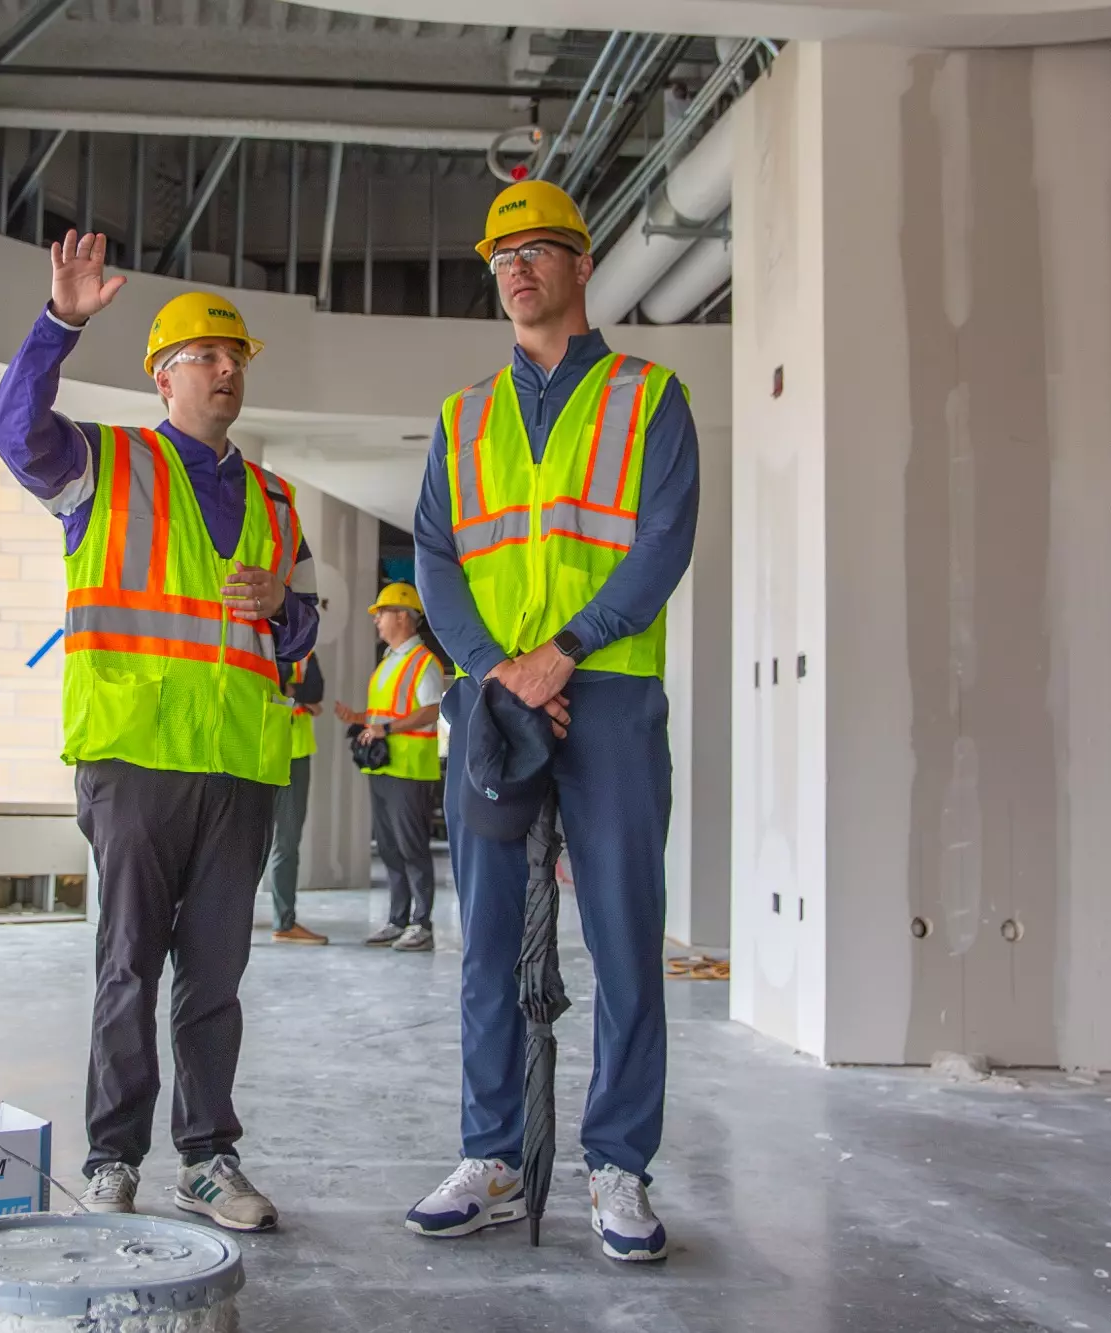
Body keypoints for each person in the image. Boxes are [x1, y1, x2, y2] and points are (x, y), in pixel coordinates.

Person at [0, 231, 319, 1232]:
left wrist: (278, 605)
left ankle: (209, 1159)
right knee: (129, 963)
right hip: (132, 756)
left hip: (240, 764)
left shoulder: (273, 497)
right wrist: (60, 324)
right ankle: (113, 1155)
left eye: (235, 358)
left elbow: (301, 624)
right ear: (162, 378)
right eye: (205, 357)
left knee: (214, 976)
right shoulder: (104, 464)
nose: (225, 369)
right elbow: (12, 428)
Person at [403, 180, 699, 1262]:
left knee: (622, 937)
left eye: (536, 250)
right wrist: (493, 668)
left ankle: (615, 1168)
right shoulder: (461, 415)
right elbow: (435, 556)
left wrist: (559, 651)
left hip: (607, 693)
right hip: (492, 703)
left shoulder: (647, 396)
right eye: (500, 256)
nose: (515, 268)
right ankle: (489, 1155)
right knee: (482, 940)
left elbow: (661, 543)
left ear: (580, 267)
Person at [333, 582, 445, 952]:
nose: (377, 620)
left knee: (412, 847)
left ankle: (421, 924)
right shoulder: (388, 660)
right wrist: (362, 718)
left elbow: (430, 710)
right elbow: (386, 712)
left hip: (409, 769)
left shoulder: (424, 661)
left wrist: (386, 728)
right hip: (383, 768)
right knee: (390, 848)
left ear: (402, 616)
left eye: (381, 613)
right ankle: (398, 920)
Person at [264, 651, 328, 945]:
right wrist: (298, 695)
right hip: (258, 753)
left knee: (286, 844)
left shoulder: (305, 655)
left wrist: (291, 690)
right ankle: (229, 921)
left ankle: (284, 921)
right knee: (240, 843)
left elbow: (316, 692)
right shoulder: (254, 640)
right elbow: (271, 684)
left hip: (294, 754)